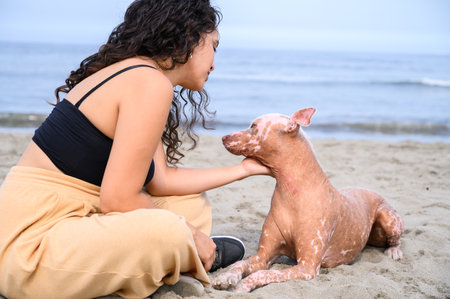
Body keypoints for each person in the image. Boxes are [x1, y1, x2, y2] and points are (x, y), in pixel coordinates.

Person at [0, 0, 271, 298]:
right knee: (167, 232)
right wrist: (190, 234)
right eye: (214, 47)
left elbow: (162, 181)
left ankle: (173, 256)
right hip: (26, 247)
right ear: (190, 37)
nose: (214, 63)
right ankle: (179, 256)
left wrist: (243, 169)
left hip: (74, 216)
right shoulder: (149, 83)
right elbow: (118, 198)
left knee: (189, 203)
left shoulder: (142, 75)